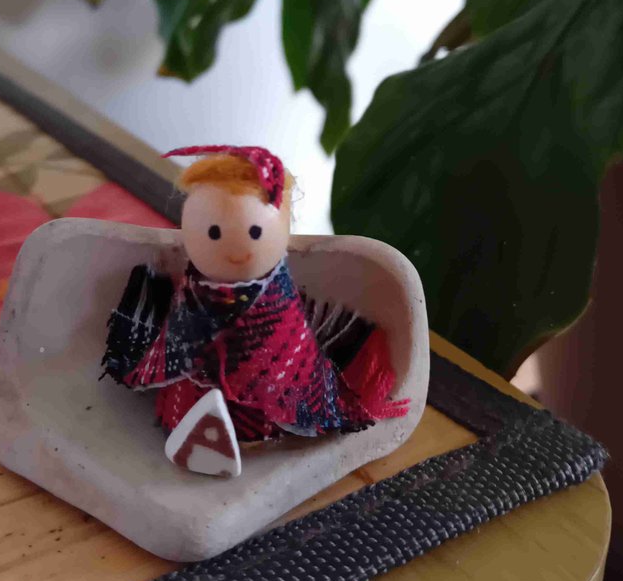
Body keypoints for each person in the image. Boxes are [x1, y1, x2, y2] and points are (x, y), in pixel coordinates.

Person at [102, 145, 408, 477]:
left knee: (267, 395)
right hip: (186, 404)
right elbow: (178, 341)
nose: (236, 251)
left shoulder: (278, 301)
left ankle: (242, 433)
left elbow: (291, 357)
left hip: (261, 411)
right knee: (188, 388)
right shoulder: (193, 290)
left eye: (255, 232)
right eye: (213, 233)